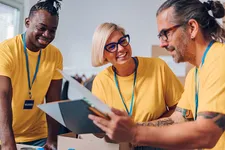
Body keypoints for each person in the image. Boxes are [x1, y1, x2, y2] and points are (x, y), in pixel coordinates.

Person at [89, 0, 225, 149]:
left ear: (192, 28)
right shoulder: (195, 74)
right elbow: (179, 118)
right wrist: (128, 128)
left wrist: (135, 133)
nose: (162, 43)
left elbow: (206, 135)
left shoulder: (220, 59)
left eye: (166, 33)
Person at [91, 22, 184, 149]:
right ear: (103, 54)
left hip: (156, 142)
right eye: (112, 47)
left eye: (123, 41)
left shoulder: (158, 66)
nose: (121, 48)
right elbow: (100, 129)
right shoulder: (101, 81)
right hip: (121, 145)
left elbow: (182, 110)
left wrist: (140, 129)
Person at [0, 0, 63, 149]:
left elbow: (53, 100)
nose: (47, 35)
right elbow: (3, 95)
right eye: (42, 28)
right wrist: (8, 142)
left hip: (37, 135)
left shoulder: (55, 55)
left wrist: (52, 139)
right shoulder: (6, 50)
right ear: (27, 22)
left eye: (52, 30)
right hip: (4, 133)